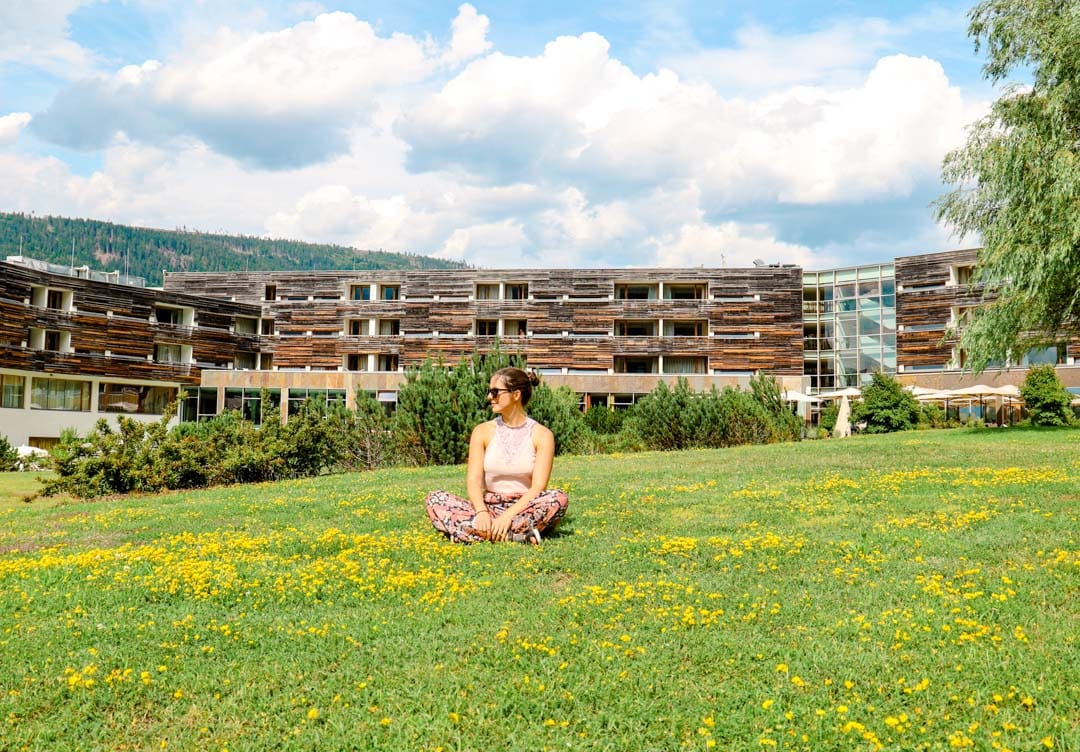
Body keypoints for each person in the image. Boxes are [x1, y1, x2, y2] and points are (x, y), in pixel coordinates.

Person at [425, 367, 569, 544]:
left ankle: (472, 533)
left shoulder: (542, 435)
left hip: (524, 507)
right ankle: (516, 536)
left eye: (495, 392)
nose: (489, 397)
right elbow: (474, 480)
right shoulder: (482, 432)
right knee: (435, 499)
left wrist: (508, 515)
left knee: (559, 498)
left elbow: (538, 487)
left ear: (516, 395)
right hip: (488, 506)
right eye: (489, 391)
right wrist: (481, 512)